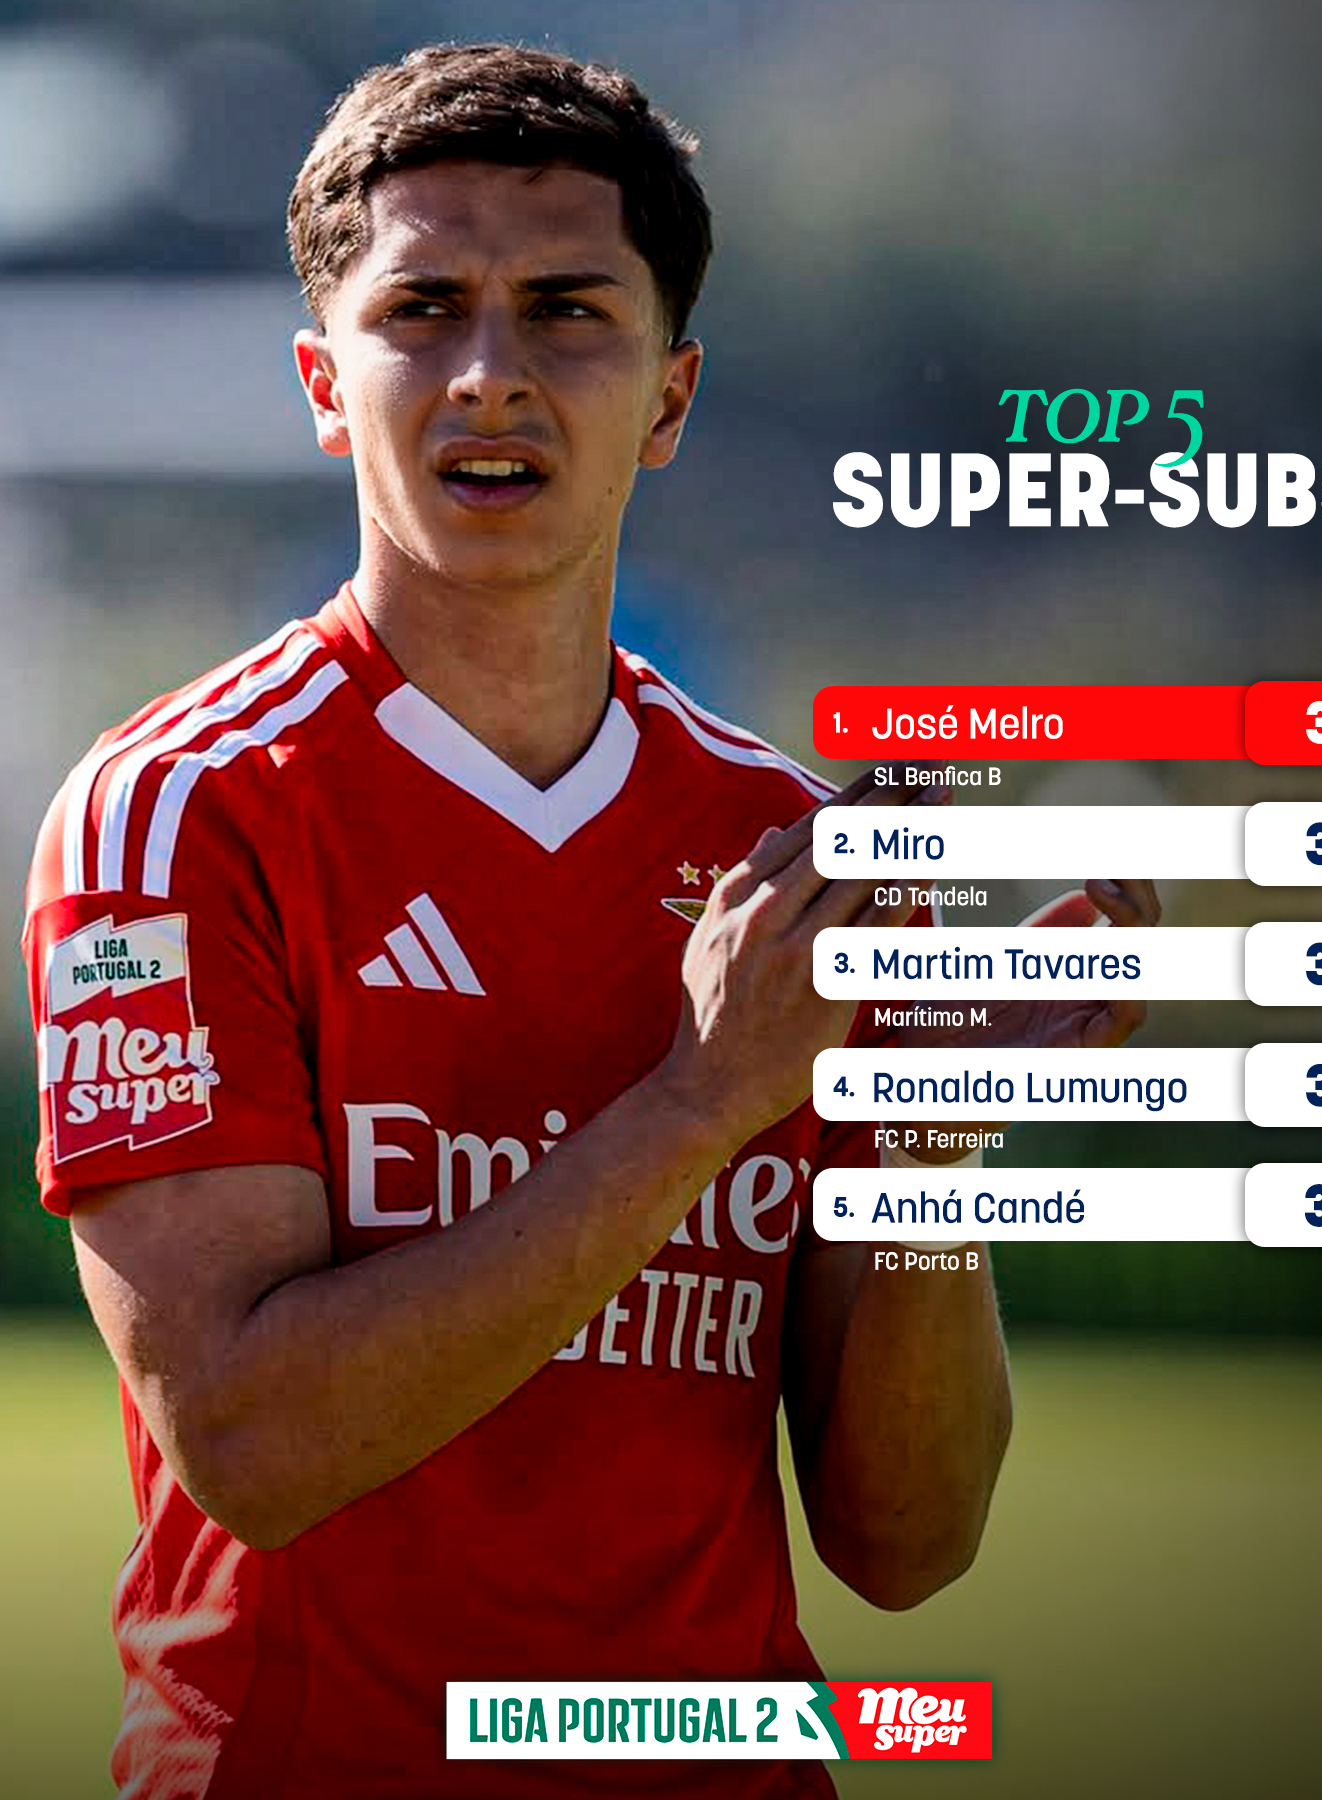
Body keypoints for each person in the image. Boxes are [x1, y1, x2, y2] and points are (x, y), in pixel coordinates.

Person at [22, 42, 1156, 1800]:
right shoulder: (176, 813)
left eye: (567, 311)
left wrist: (936, 1149)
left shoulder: (786, 853)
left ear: (671, 397)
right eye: (424, 311)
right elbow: (252, 1442)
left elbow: (907, 1546)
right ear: (326, 384)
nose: (491, 373)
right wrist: (700, 1105)